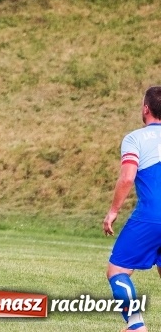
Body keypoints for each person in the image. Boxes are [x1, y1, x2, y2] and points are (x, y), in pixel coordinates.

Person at [102, 86, 161, 332]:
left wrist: (114, 210)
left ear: (145, 109)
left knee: (117, 270)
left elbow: (127, 178)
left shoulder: (136, 138)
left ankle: (135, 325)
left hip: (152, 216)